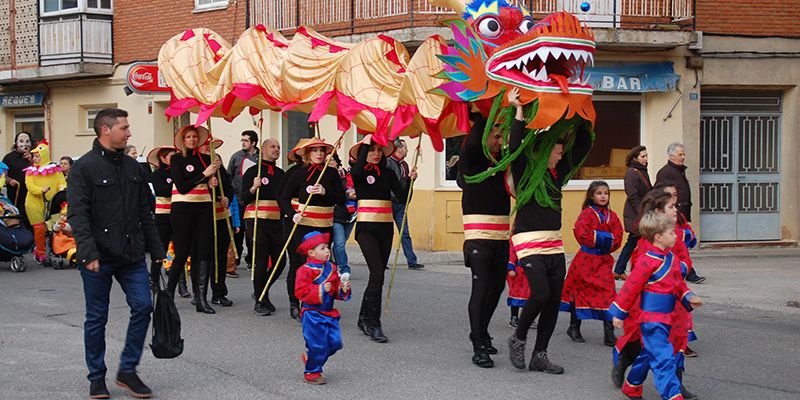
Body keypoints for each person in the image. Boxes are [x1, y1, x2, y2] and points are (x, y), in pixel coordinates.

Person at [68, 108, 165, 399]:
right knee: (97, 317)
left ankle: (127, 370)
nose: (129, 132)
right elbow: (78, 215)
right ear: (105, 130)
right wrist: (88, 253)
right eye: (123, 127)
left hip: (131, 256)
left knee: (143, 307)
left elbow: (145, 213)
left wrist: (157, 249)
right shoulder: (83, 168)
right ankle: (96, 377)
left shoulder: (134, 168)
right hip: (98, 257)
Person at [505, 88, 593, 374]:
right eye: (556, 150)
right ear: (545, 152)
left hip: (554, 244)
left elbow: (581, 147)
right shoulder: (527, 172)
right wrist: (517, 111)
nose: (560, 153)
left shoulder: (559, 173)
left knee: (554, 300)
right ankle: (518, 337)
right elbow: (516, 146)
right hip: (529, 242)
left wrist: (580, 112)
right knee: (540, 294)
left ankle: (540, 354)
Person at [610, 212, 703, 400]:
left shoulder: (671, 258)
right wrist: (619, 313)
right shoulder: (646, 261)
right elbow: (631, 287)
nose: (676, 236)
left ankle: (632, 386)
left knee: (648, 354)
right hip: (651, 319)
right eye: (671, 233)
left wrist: (688, 297)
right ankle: (673, 395)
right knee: (664, 359)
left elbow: (678, 284)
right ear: (658, 237)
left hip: (668, 317)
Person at [459, 107, 511, 368]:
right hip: (478, 236)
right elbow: (473, 142)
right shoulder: (471, 162)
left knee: (497, 287)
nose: (500, 142)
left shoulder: (504, 164)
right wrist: (480, 113)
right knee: (481, 288)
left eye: (503, 137)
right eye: (496, 136)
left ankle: (481, 330)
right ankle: (478, 344)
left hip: (502, 236)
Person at [350, 135, 410, 343]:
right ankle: (374, 324)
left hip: (385, 229)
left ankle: (363, 317)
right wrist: (365, 142)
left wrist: (409, 180)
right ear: (364, 153)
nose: (375, 153)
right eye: (371, 150)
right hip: (366, 229)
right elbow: (356, 171)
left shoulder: (387, 173)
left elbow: (403, 197)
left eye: (378, 150)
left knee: (378, 276)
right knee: (376, 273)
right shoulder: (358, 173)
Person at [279, 138, 345, 320]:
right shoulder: (298, 174)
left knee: (319, 266)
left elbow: (341, 199)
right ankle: (295, 302)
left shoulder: (331, 174)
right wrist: (292, 214)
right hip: (301, 226)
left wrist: (326, 192)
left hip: (324, 228)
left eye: (322, 150)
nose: (319, 153)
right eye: (315, 150)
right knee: (299, 265)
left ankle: (313, 302)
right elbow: (283, 198)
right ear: (307, 154)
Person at [168, 125, 228, 314]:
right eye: (188, 137)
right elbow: (183, 186)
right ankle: (168, 295)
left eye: (195, 136)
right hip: (182, 209)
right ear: (183, 141)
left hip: (204, 208)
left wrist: (214, 185)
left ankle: (201, 298)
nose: (192, 140)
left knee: (203, 252)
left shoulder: (208, 159)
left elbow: (211, 186)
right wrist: (205, 175)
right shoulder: (177, 159)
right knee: (182, 251)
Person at [560, 181, 623, 346]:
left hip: (603, 262)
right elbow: (582, 234)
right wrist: (605, 237)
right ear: (591, 196)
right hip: (586, 261)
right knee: (580, 293)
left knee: (609, 294)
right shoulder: (586, 214)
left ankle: (609, 333)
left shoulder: (613, 215)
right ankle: (574, 326)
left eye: (606, 193)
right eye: (599, 193)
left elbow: (618, 237)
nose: (603, 196)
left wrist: (600, 237)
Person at [294, 231, 351, 385]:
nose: (327, 250)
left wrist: (342, 289)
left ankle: (312, 359)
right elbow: (300, 292)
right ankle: (312, 372)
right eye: (323, 248)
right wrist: (319, 289)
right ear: (311, 252)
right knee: (318, 345)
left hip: (328, 312)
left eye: (327, 247)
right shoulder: (304, 270)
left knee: (335, 343)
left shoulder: (331, 268)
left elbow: (334, 290)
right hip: (312, 313)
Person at [241, 138, 286, 316]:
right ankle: (260, 301)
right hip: (256, 221)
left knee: (280, 262)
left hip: (276, 222)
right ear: (263, 149)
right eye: (273, 146)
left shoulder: (281, 173)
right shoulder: (253, 171)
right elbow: (243, 198)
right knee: (260, 261)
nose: (276, 150)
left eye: (278, 147)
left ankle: (261, 291)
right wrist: (253, 187)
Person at [655, 142, 704, 284]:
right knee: (677, 244)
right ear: (671, 156)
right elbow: (659, 193)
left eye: (684, 154)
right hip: (671, 214)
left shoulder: (678, 170)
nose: (683, 157)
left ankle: (684, 270)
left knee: (679, 244)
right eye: (680, 155)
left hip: (679, 213)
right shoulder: (666, 172)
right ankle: (689, 272)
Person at [147, 146, 191, 299]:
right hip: (163, 215)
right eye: (171, 157)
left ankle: (181, 284)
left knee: (181, 251)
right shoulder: (157, 174)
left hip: (179, 214)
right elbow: (162, 190)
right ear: (163, 159)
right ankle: (154, 281)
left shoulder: (180, 171)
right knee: (161, 250)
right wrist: (180, 185)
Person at [201, 139, 234, 308]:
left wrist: (227, 197)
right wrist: (207, 183)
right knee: (204, 255)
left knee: (220, 255)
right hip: (203, 216)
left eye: (211, 146)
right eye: (206, 146)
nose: (209, 149)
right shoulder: (199, 167)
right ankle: (200, 293)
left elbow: (229, 188)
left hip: (221, 215)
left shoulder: (219, 167)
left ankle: (219, 292)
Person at [24, 140, 67, 264]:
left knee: (56, 226)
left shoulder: (55, 169)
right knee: (39, 228)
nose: (35, 158)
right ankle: (41, 252)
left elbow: (61, 182)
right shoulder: (30, 172)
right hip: (34, 203)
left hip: (52, 202)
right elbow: (30, 187)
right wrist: (41, 190)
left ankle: (57, 249)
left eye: (37, 156)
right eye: (34, 156)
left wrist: (62, 189)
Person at [385, 138, 424, 270]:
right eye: (405, 147)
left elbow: (404, 184)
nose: (407, 150)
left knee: (404, 232)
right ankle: (383, 261)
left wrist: (411, 179)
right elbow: (389, 184)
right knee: (387, 233)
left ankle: (411, 261)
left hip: (401, 203)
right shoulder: (388, 163)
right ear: (399, 149)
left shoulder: (405, 165)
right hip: (389, 203)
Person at [614, 145, 651, 280]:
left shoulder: (641, 171)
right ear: (635, 158)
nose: (646, 159)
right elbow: (632, 195)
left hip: (642, 212)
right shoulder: (632, 172)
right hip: (636, 214)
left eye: (646, 156)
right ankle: (623, 269)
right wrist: (643, 212)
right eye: (643, 156)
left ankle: (620, 269)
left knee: (634, 242)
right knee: (635, 241)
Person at [228, 130, 260, 269]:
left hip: (253, 200)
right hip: (237, 199)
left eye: (246, 140)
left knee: (251, 233)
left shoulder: (260, 157)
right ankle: (235, 257)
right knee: (237, 231)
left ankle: (250, 259)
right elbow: (229, 176)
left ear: (253, 142)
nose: (243, 143)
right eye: (242, 140)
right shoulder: (236, 157)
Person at [331, 153, 356, 276]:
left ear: (337, 161)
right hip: (335, 214)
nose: (329, 163)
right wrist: (346, 195)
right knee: (339, 244)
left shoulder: (346, 175)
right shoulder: (326, 177)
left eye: (332, 160)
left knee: (340, 243)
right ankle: (344, 268)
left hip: (350, 214)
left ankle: (333, 264)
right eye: (326, 161)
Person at [3, 131, 33, 223]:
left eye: (27, 141)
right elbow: (2, 174)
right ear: (16, 143)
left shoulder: (35, 156)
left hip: (31, 194)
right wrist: (9, 180)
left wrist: (32, 160)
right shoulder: (9, 157)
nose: (25, 144)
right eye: (21, 141)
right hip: (15, 193)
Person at [505, 241, 531, 329]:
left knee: (529, 295)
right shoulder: (515, 238)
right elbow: (511, 253)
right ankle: (514, 317)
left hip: (529, 270)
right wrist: (510, 268)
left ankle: (526, 318)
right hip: (517, 271)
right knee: (516, 295)